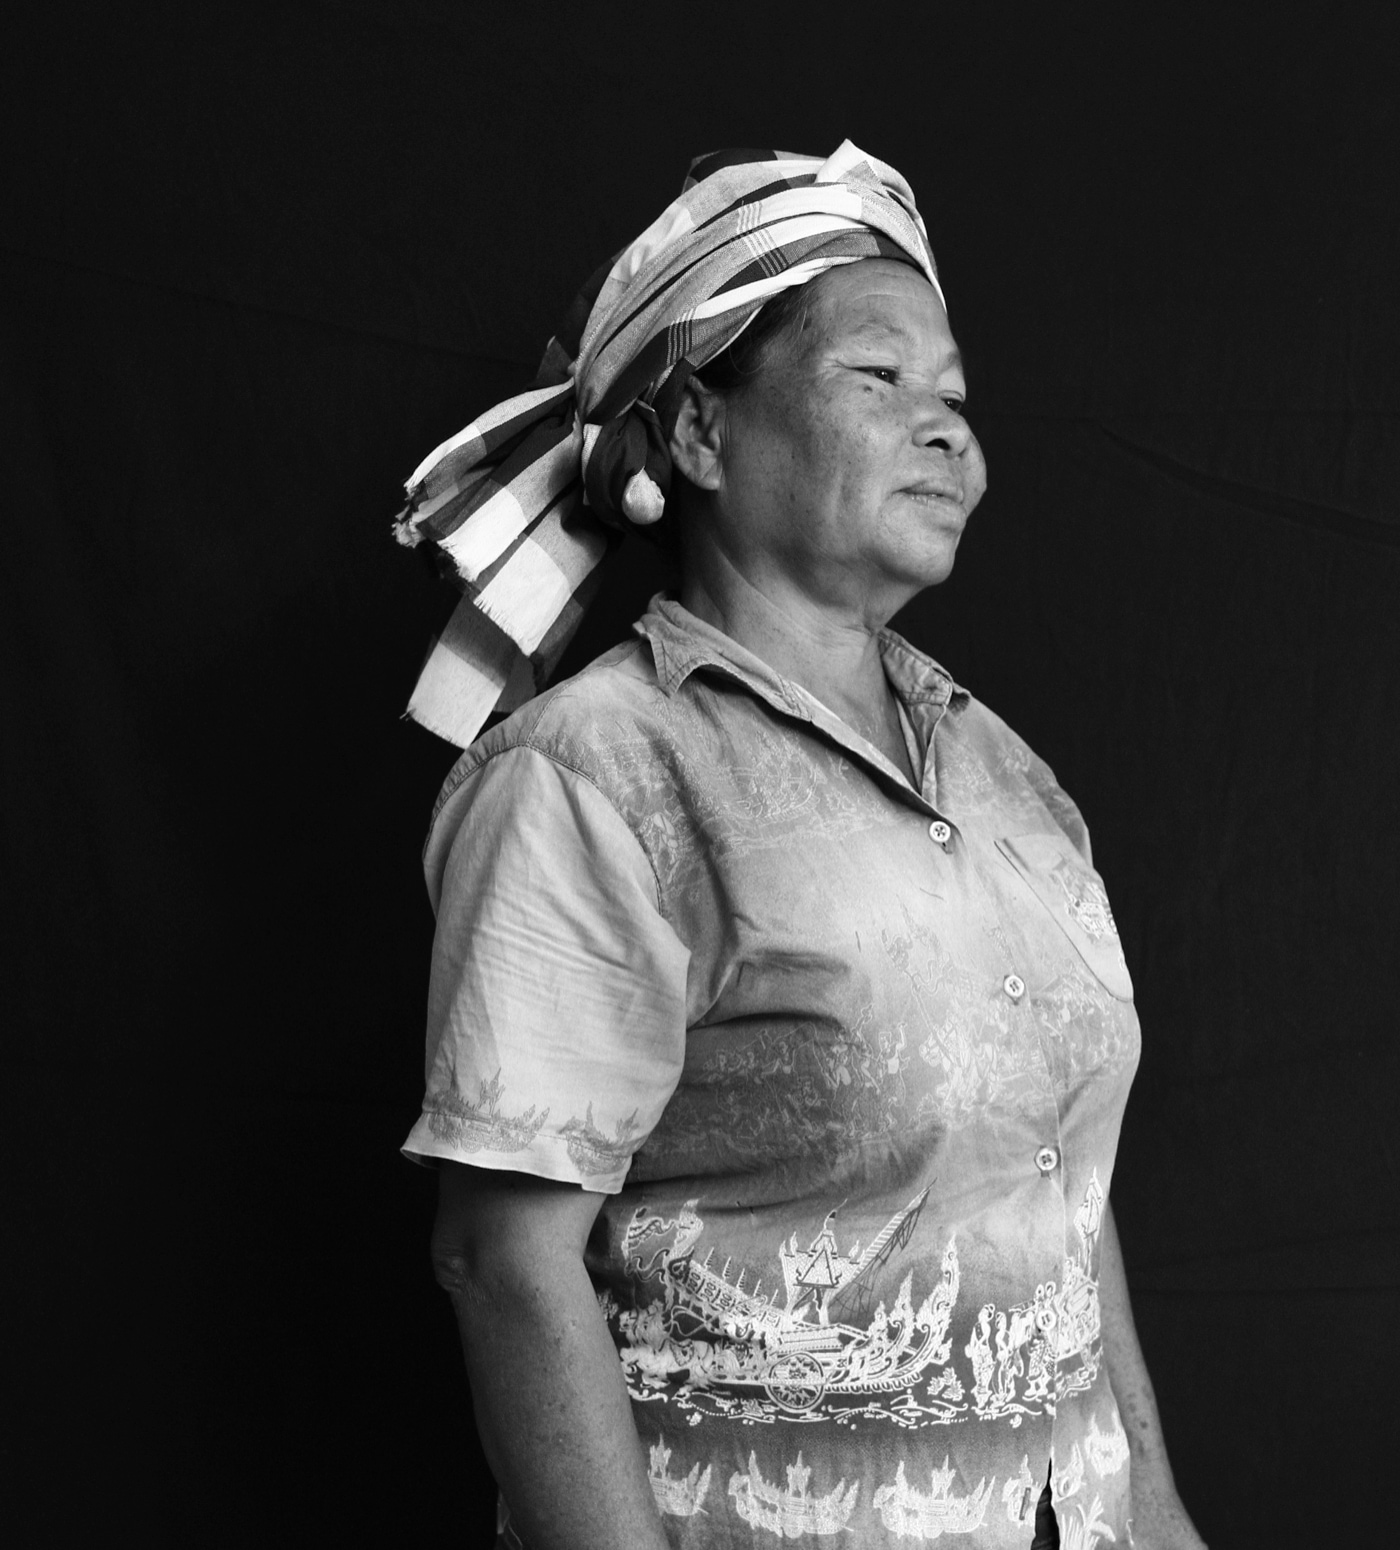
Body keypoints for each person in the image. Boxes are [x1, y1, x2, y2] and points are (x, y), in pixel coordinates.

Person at [396, 143, 1207, 1550]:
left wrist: (1157, 1508)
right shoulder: (595, 775)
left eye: (955, 395)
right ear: (699, 435)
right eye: (878, 378)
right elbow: (504, 1262)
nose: (945, 429)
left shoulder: (1007, 776)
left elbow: (1054, 1188)